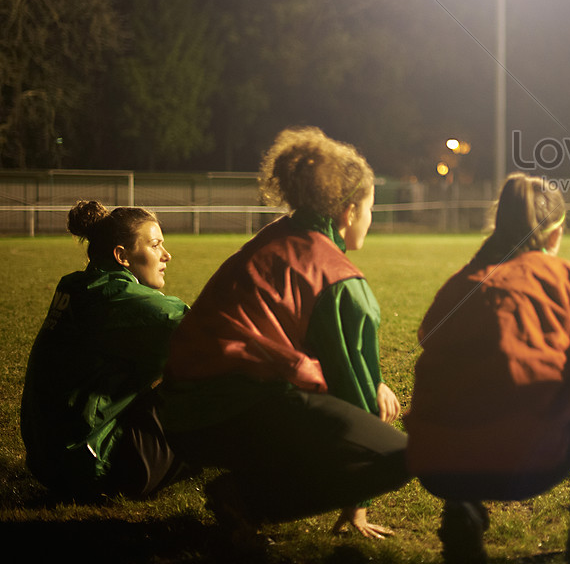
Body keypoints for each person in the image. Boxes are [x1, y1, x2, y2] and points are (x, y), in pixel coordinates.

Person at [160, 127, 408, 539]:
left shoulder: (277, 235)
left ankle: (248, 482)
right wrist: (357, 499)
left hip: (178, 417)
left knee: (311, 411)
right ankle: (245, 499)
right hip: (233, 408)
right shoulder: (337, 277)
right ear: (348, 212)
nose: (370, 219)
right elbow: (355, 395)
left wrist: (374, 381)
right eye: (369, 208)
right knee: (397, 455)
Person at [404, 173, 570, 564]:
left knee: (461, 375)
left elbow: (429, 336)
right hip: (526, 466)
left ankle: (461, 519)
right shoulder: (568, 280)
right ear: (555, 235)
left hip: (435, 467)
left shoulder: (457, 285)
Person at [20, 200, 189, 501]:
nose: (167, 255)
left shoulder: (78, 285)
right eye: (154, 245)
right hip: (94, 465)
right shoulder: (112, 296)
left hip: (52, 461)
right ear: (122, 256)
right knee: (207, 379)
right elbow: (202, 328)